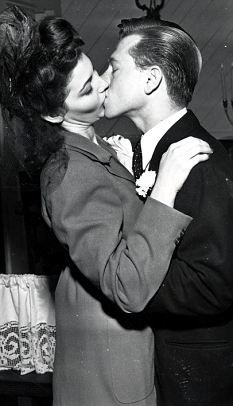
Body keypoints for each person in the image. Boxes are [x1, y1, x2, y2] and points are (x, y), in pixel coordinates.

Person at [0, 7, 212, 406]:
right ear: (51, 113)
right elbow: (126, 286)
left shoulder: (91, 145)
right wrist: (164, 186)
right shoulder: (66, 172)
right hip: (112, 379)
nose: (102, 85)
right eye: (85, 90)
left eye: (94, 71)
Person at [102, 17, 233, 406]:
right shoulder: (151, 151)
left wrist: (119, 279)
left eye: (114, 66)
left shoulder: (198, 161)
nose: (103, 76)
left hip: (194, 376)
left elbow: (214, 284)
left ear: (151, 80)